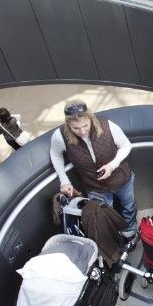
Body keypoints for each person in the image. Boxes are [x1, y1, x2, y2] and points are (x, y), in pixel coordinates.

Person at [50, 100, 138, 238]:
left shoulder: (108, 126)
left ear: (90, 117)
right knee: (102, 216)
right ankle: (113, 239)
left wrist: (112, 165)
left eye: (85, 125)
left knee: (129, 207)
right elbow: (55, 155)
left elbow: (126, 145)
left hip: (121, 179)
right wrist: (64, 181)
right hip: (95, 186)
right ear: (68, 124)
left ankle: (130, 232)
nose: (82, 131)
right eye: (76, 128)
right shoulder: (60, 136)